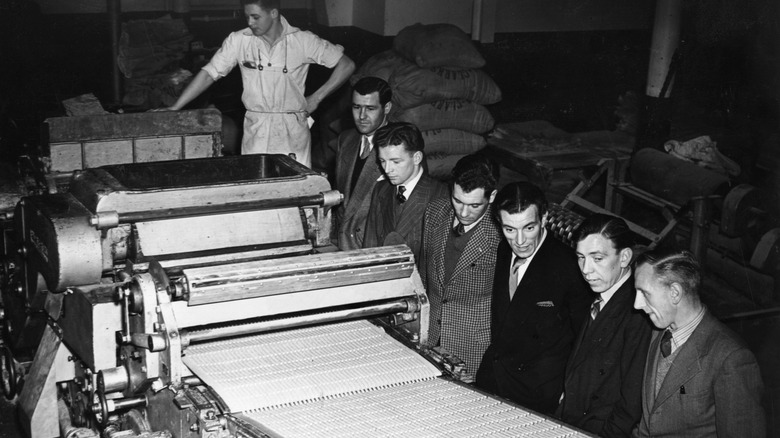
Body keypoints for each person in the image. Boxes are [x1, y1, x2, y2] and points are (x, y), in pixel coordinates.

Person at [159, 0, 355, 168]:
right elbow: (209, 73)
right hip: (256, 128)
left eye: (255, 17)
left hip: (292, 129)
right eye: (247, 17)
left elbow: (346, 65)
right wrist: (176, 107)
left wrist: (317, 97)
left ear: (273, 13)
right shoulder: (239, 41)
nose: (250, 23)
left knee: (294, 189)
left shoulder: (303, 41)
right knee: (256, 186)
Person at [476, 181, 591, 415]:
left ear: (544, 218)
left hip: (537, 395)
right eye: (510, 229)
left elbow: (583, 340)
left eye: (528, 228)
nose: (519, 241)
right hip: (493, 380)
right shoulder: (503, 250)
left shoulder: (570, 268)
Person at [632, 248, 765, 437]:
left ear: (675, 293)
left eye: (645, 293)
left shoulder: (732, 358)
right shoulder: (658, 332)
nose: (637, 304)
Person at [557, 214, 653, 437]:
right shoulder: (599, 292)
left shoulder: (638, 312)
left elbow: (631, 402)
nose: (586, 269)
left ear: (624, 257)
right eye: (580, 257)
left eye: (597, 258)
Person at [420, 153, 502, 383]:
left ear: (492, 196)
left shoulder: (501, 233)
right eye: (457, 201)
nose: (463, 213)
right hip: (430, 336)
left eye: (474, 205)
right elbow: (424, 275)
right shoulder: (434, 212)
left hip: (472, 347)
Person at [363, 123, 447, 262]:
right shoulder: (381, 189)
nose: (387, 169)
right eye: (382, 161)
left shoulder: (440, 196)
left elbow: (438, 261)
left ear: (417, 158)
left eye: (395, 162)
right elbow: (370, 247)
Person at [335, 77, 392, 250]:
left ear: (387, 108)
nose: (361, 116)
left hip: (375, 245)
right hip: (341, 241)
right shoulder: (346, 140)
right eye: (356, 107)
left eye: (370, 108)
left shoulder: (400, 145)